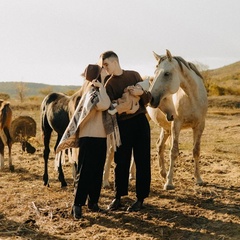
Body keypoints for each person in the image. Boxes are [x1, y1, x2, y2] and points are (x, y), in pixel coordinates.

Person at [99, 51, 151, 212]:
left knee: (143, 160)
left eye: (106, 64)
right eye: (103, 65)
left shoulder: (134, 75)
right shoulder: (109, 84)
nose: (104, 68)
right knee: (121, 161)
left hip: (141, 123)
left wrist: (141, 93)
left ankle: (140, 199)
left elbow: (149, 99)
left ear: (115, 62)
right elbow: (109, 109)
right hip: (123, 126)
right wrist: (122, 109)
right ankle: (118, 197)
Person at [57, 64, 111, 219]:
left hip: (100, 137)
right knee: (85, 172)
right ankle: (77, 204)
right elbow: (104, 105)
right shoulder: (92, 93)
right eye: (103, 70)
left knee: (96, 172)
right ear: (97, 76)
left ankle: (93, 202)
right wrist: (101, 88)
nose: (105, 71)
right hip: (89, 137)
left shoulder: (98, 91)